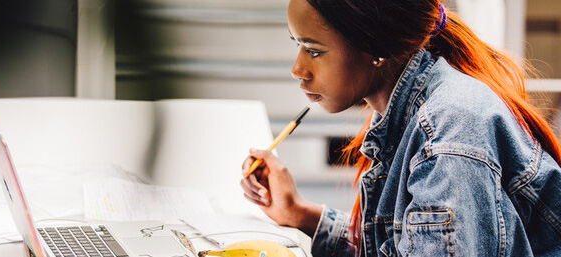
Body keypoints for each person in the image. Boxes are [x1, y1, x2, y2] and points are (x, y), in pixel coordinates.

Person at [240, 0, 561, 256]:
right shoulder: (409, 112)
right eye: (297, 44)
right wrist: (298, 213)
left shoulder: (448, 135)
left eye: (314, 50)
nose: (298, 69)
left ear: (374, 44)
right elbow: (399, 244)